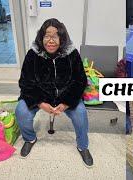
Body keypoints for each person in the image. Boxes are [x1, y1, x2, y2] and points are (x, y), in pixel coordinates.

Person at [15, 18, 93, 167]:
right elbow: (25, 82)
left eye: (55, 36)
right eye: (46, 36)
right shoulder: (33, 54)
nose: (50, 41)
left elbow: (80, 81)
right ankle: (30, 139)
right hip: (40, 96)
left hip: (66, 97)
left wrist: (66, 103)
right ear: (41, 37)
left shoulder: (72, 54)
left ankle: (83, 146)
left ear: (62, 38)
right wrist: (40, 103)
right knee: (21, 111)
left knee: (81, 114)